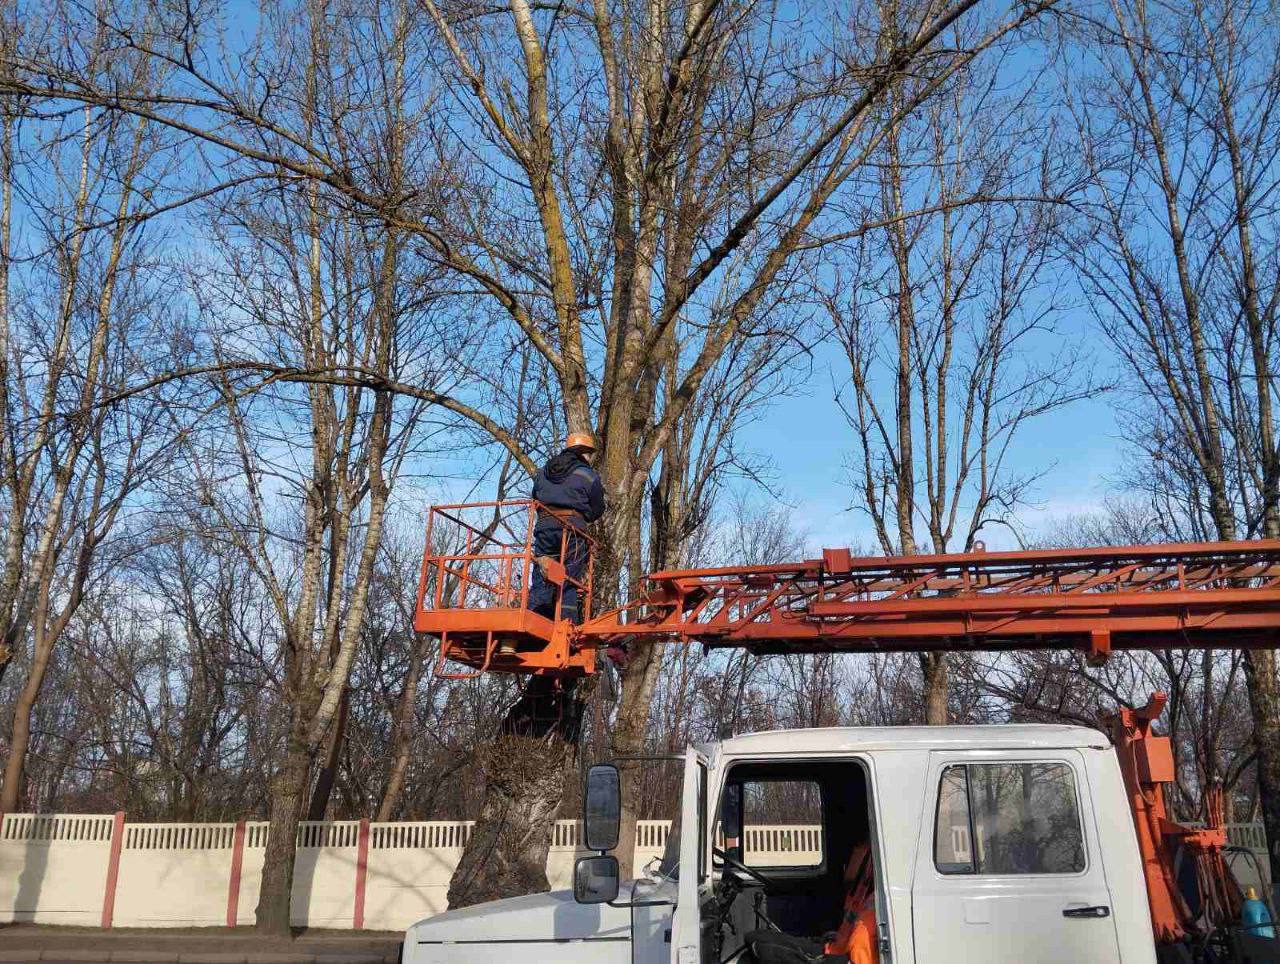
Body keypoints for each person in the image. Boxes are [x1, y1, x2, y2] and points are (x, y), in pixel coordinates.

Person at [527, 432, 604, 623]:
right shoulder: (587, 475)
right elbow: (598, 508)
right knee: (570, 576)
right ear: (584, 452)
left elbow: (535, 497)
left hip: (545, 525)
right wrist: (584, 516)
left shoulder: (542, 472)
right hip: (572, 529)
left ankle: (536, 617)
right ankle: (566, 621)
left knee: (542, 571)